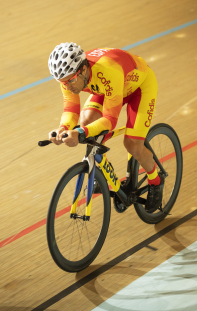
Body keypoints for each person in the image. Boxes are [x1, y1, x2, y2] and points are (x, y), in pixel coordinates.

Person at [48, 42, 164, 213]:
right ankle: (100, 170)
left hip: (139, 88)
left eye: (71, 80)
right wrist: (62, 128)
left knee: (132, 145)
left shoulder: (107, 71)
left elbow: (110, 120)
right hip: (109, 89)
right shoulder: (68, 75)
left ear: (84, 70)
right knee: (86, 121)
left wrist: (80, 132)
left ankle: (156, 181)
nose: (68, 86)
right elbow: (71, 110)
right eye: (62, 83)